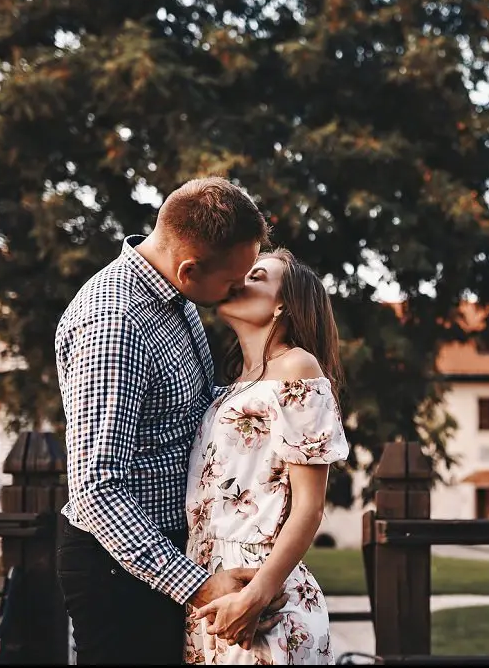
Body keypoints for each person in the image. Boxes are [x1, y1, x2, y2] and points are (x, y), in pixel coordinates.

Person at [55, 178, 288, 665]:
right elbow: (96, 488)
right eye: (232, 281)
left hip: (172, 553)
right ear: (190, 268)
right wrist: (196, 585)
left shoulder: (179, 298)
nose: (239, 289)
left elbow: (199, 411)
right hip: (121, 572)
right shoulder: (114, 321)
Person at [184, 249, 350, 665]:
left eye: (256, 275)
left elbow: (309, 508)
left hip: (263, 596)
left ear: (282, 306)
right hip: (209, 584)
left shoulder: (298, 367)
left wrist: (255, 597)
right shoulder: (232, 386)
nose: (240, 279)